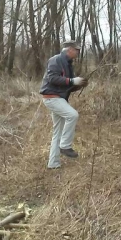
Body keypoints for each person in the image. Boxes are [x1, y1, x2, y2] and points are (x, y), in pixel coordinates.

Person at [39, 40, 88, 169]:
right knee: (73, 115)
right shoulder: (56, 60)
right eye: (76, 49)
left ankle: (53, 163)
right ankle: (65, 146)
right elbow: (52, 78)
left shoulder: (68, 63)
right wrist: (72, 80)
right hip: (52, 97)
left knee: (58, 132)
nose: (78, 52)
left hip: (58, 98)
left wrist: (78, 85)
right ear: (69, 49)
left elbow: (66, 85)